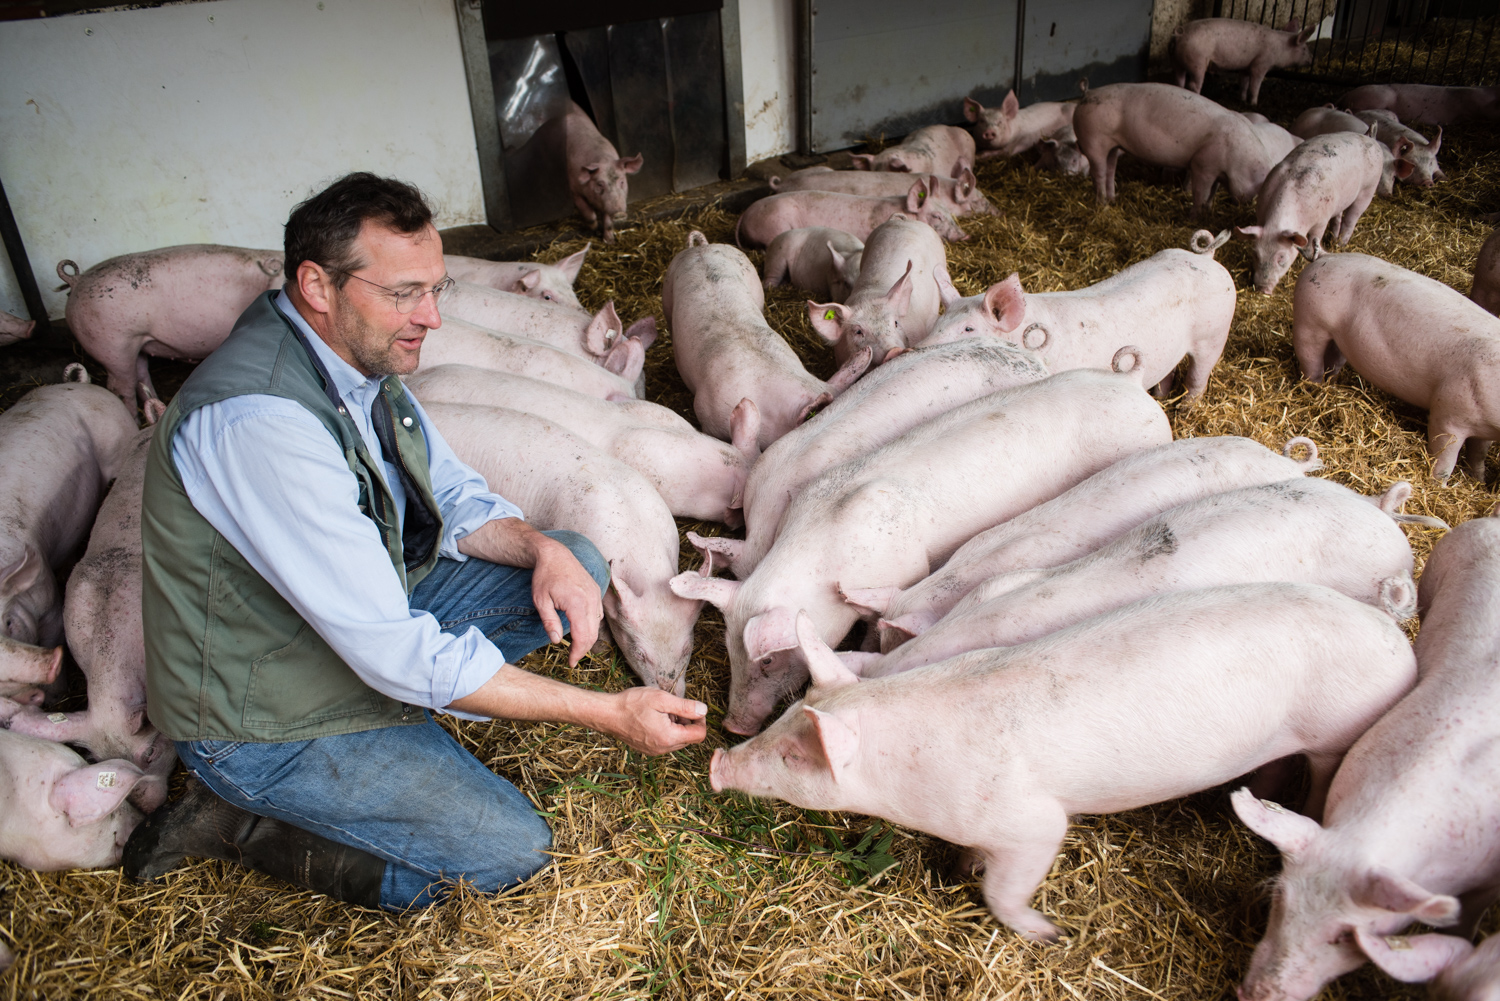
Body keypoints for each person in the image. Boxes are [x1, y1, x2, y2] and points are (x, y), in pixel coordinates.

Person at [124, 172, 707, 910]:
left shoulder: (353, 356)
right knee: (510, 852)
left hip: (348, 629)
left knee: (575, 560)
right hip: (266, 712)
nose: (430, 316)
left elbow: (454, 494)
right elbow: (392, 648)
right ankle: (246, 824)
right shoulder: (261, 422)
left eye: (436, 289)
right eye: (405, 293)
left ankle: (411, 715)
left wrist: (541, 548)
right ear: (317, 285)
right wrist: (608, 712)